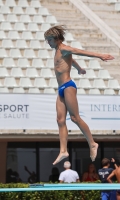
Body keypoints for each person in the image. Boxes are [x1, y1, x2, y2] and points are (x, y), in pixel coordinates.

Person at [44, 25, 114, 165]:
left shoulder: (63, 48)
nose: (48, 43)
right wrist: (79, 69)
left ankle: (92, 143)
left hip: (68, 86)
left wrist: (100, 56)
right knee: (60, 120)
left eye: (49, 40)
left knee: (75, 118)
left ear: (57, 39)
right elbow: (71, 59)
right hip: (61, 89)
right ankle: (63, 151)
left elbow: (78, 51)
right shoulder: (59, 51)